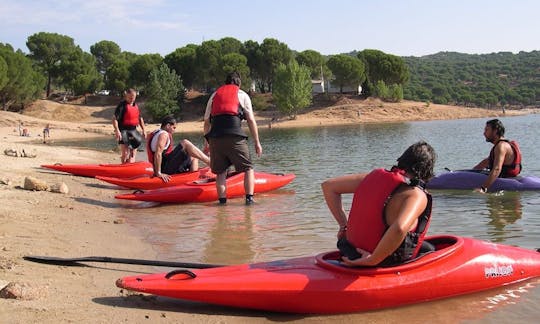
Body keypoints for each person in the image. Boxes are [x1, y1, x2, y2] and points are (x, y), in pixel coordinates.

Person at [322, 141, 436, 267]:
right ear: (427, 171)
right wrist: (372, 260)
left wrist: (343, 226)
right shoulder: (416, 195)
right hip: (378, 260)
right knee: (430, 251)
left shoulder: (371, 177)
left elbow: (328, 187)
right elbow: (399, 228)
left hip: (349, 250)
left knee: (427, 247)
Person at [203, 72, 262, 205]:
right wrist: (257, 142)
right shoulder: (242, 95)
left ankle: (222, 203)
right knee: (248, 168)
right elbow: (251, 120)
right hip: (235, 137)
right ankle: (249, 200)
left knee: (221, 173)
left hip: (215, 138)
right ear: (239, 83)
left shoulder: (214, 96)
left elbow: (207, 122)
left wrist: (206, 142)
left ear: (226, 82)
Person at [147, 116, 210, 183]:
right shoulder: (164, 135)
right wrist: (158, 173)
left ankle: (192, 179)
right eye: (174, 128)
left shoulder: (156, 132)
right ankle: (209, 162)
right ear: (168, 126)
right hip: (164, 169)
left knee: (194, 156)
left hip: (164, 165)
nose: (174, 130)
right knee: (185, 143)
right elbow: (158, 154)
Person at [472, 119, 522, 193]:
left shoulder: (501, 146)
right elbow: (486, 162)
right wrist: (469, 173)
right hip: (511, 178)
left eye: (487, 130)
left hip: (506, 181)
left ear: (495, 131)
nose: (484, 133)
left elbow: (497, 169)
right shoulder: (505, 144)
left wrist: (483, 188)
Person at [113, 88, 146, 163]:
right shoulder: (122, 106)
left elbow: (140, 118)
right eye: (130, 97)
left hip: (133, 131)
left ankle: (130, 167)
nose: (132, 99)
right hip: (123, 131)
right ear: (126, 96)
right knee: (125, 153)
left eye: (133, 97)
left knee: (133, 154)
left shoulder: (135, 105)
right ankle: (123, 167)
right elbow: (114, 119)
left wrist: (144, 129)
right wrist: (117, 130)